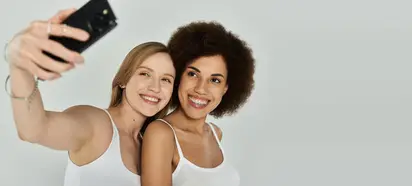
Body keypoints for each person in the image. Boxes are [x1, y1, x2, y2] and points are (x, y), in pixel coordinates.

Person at [5, 8, 176, 186]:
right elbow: (34, 129)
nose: (155, 87)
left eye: (166, 79)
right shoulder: (97, 124)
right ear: (124, 80)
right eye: (144, 74)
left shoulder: (153, 144)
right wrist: (19, 67)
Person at [140, 21, 255, 186]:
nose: (201, 89)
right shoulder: (161, 133)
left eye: (215, 80)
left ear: (226, 88)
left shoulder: (215, 134)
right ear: (179, 76)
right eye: (193, 74)